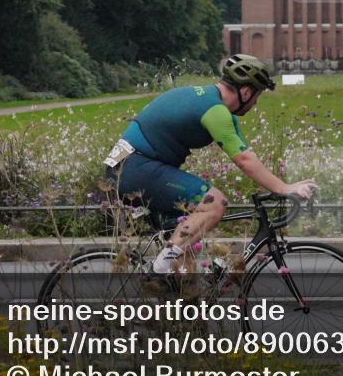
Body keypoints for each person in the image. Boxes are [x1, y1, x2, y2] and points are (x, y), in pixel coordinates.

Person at [104, 54, 316, 276]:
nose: (255, 103)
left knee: (186, 261)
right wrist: (283, 188)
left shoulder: (210, 101)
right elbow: (243, 161)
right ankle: (158, 270)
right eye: (257, 95)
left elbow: (245, 154)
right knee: (215, 203)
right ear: (245, 92)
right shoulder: (214, 110)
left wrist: (282, 184)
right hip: (135, 168)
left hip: (131, 166)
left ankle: (179, 302)